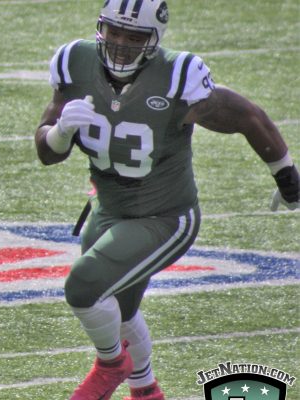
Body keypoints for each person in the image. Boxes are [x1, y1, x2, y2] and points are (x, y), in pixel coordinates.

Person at [34, 1, 298, 399]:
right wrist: (58, 133)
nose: (120, 44)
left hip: (164, 217)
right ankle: (146, 391)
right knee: (121, 309)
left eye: (133, 36)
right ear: (100, 28)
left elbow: (247, 116)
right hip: (108, 208)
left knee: (84, 285)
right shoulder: (75, 62)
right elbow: (47, 154)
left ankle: (111, 364)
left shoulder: (177, 77)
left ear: (153, 40)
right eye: (114, 32)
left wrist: (286, 174)